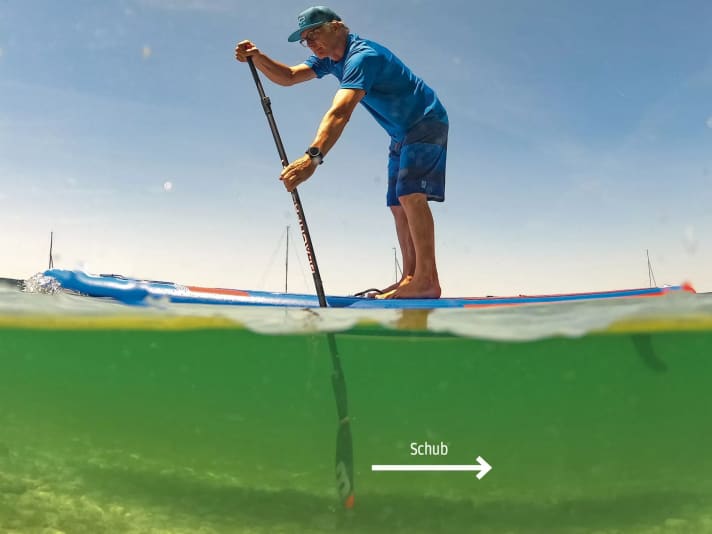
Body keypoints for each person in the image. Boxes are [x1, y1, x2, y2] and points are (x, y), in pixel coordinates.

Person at [235, 6, 448, 299]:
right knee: (398, 205)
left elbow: (340, 112)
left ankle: (427, 279)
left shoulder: (363, 56)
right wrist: (257, 58)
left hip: (425, 120)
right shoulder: (331, 59)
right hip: (400, 132)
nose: (311, 43)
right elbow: (288, 76)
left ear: (338, 26)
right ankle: (409, 278)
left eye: (315, 34)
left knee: (411, 195)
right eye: (305, 39)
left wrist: (313, 158)